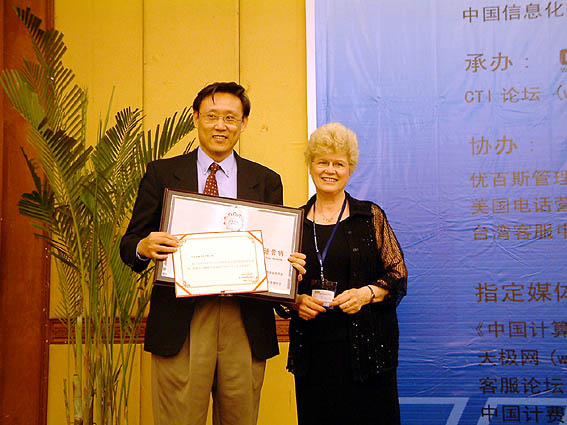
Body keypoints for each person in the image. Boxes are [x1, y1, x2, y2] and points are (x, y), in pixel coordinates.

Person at [120, 82, 297, 425]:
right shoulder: (161, 174)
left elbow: (274, 249)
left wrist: (287, 270)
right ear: (196, 118)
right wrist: (143, 247)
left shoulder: (266, 180)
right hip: (183, 321)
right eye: (212, 116)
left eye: (230, 118)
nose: (221, 126)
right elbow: (130, 243)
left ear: (244, 123)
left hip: (244, 319)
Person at [287, 122, 408, 425]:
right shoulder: (293, 222)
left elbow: (398, 274)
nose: (330, 170)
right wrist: (296, 301)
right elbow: (280, 287)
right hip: (314, 354)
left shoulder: (369, 216)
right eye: (322, 162)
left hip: (368, 352)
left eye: (338, 164)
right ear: (311, 166)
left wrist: (366, 294)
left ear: (350, 169)